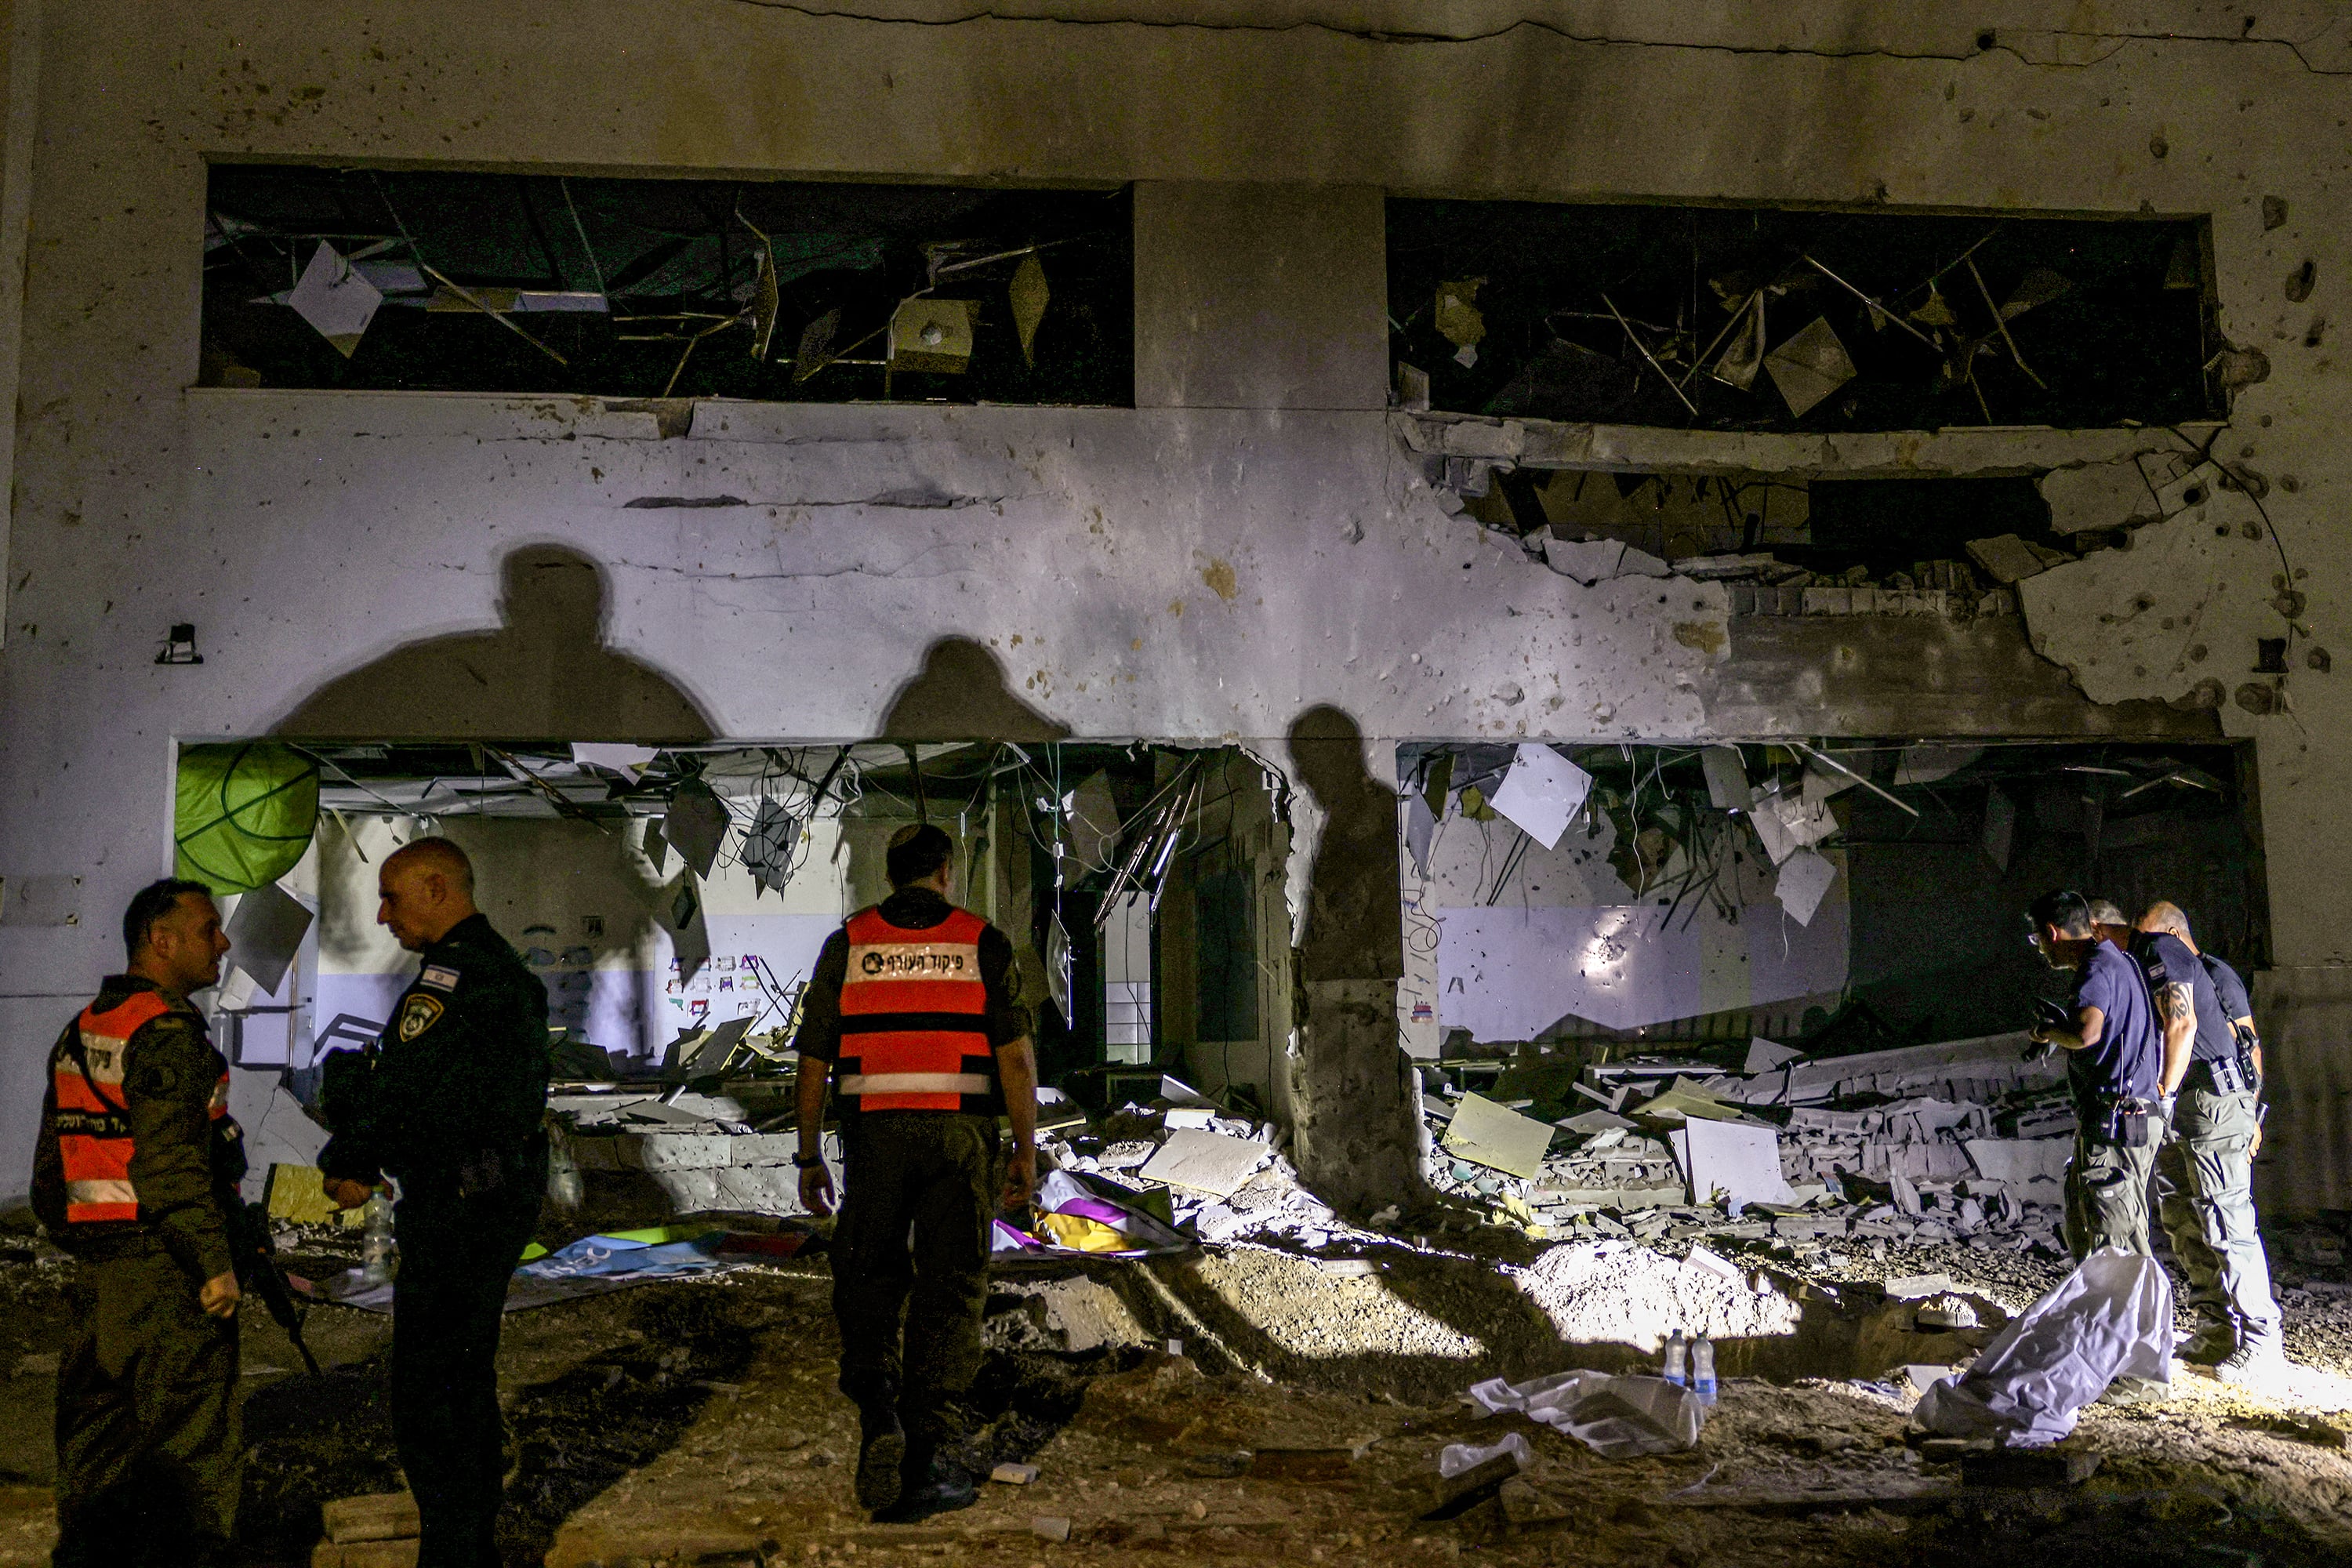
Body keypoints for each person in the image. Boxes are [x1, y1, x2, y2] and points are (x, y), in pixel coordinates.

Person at [794, 823, 1038, 1523]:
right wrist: (1024, 1150)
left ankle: (880, 1417)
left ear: (892, 873)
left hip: (874, 1138)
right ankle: (927, 1465)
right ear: (945, 873)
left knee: (868, 1278)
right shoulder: (981, 941)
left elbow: (814, 1059)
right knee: (951, 1288)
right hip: (959, 1137)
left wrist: (809, 1154)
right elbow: (1015, 1060)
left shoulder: (848, 944)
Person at [318, 838, 550, 1568]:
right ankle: (466, 1542)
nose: (383, 915)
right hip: (488, 1196)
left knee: (431, 1391)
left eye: (392, 897)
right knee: (460, 1376)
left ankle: (455, 1550)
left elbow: (412, 1091)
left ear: (439, 888)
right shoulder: (496, 971)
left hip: (459, 1206)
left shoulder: (453, 979)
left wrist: (351, 1152)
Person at [30, 879, 245, 1566]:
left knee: (98, 1449)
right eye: (209, 929)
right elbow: (174, 1168)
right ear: (163, 940)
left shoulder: (89, 1025)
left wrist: (96, 1244)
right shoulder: (167, 1032)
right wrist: (213, 1264)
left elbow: (49, 1179)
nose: (223, 943)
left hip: (101, 1281)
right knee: (191, 1454)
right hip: (165, 1277)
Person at [2137, 902, 2284, 1381]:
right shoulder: (2182, 973)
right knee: (2181, 1215)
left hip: (2217, 1103)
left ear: (2174, 936)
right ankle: (2217, 1328)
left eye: (2151, 940)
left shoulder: (2216, 974)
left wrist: (2252, 1111)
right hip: (2192, 1105)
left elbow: (2250, 1045)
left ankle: (2261, 1340)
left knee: (2228, 1221)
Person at [2026, 890, 2163, 1261]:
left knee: (2112, 1236)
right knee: (2110, 1225)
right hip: (2127, 1116)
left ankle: (2126, 1317)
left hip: (2116, 1120)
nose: (2040, 949)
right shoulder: (2119, 962)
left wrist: (2047, 1033)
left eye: (2037, 940)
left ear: (2053, 934)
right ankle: (2116, 1314)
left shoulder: (2096, 967)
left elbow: (2088, 1034)